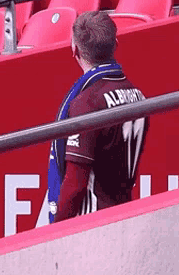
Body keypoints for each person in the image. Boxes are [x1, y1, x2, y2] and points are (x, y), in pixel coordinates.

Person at [47, 11, 149, 223]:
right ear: (116, 44)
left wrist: (55, 228)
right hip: (123, 213)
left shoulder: (87, 103)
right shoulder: (138, 95)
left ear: (74, 49)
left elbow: (75, 184)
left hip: (92, 224)